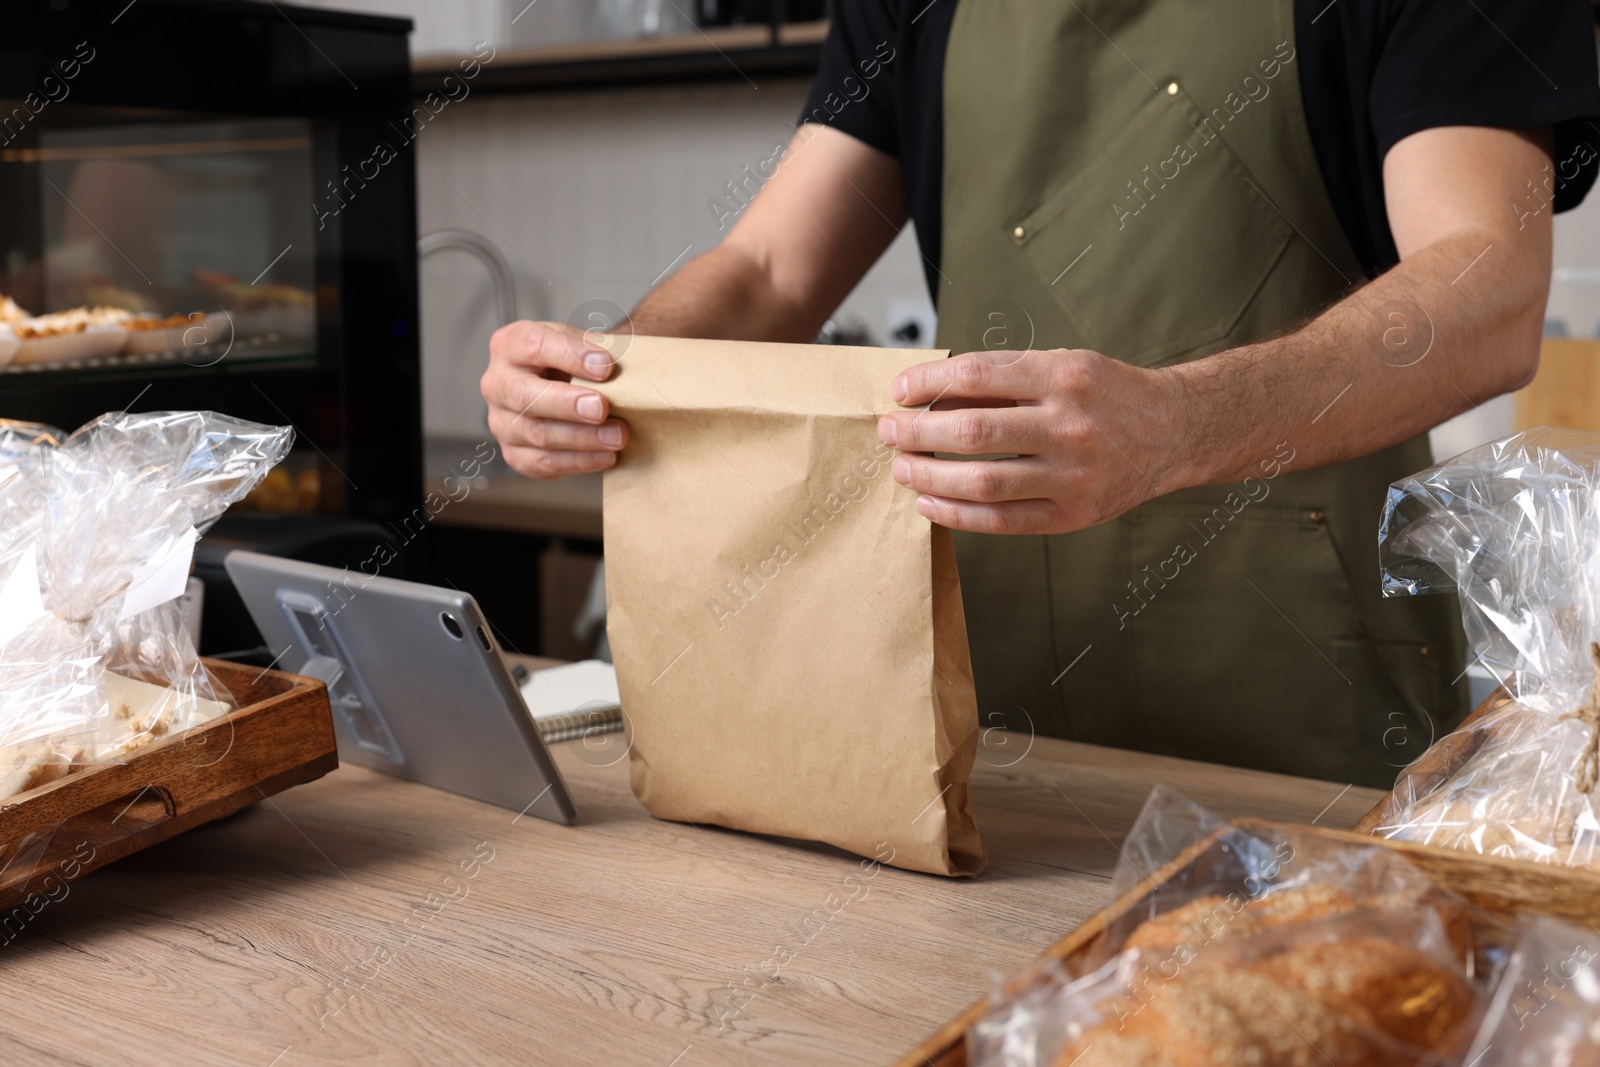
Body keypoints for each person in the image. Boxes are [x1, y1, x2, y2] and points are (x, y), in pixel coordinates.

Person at [482, 0, 1600, 787]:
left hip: (1303, 704)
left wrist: (1174, 428)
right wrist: (610, 365)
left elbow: (1487, 283)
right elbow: (771, 270)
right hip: (986, 715)